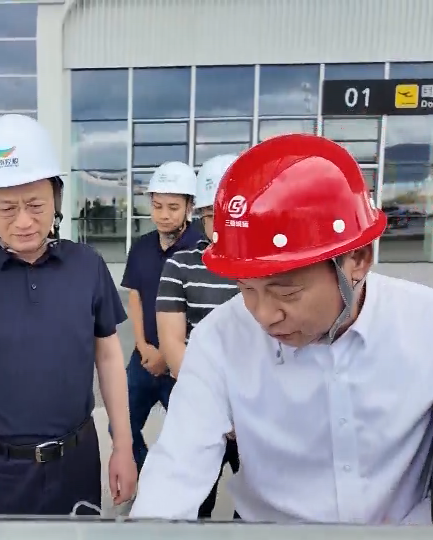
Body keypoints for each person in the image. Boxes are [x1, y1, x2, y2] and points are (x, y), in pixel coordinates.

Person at [131, 133, 433, 524]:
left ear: (357, 260)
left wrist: (429, 528)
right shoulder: (219, 339)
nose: (264, 315)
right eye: (246, 289)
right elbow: (176, 470)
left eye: (286, 292)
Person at [0, 114, 136, 516]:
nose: (24, 221)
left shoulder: (87, 266)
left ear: (56, 197)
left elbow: (108, 358)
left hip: (76, 466)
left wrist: (123, 445)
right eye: (7, 208)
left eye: (35, 205)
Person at [155, 154, 242, 519]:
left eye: (229, 214)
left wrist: (248, 410)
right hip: (200, 407)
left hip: (260, 411)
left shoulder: (269, 267)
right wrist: (219, 408)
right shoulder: (180, 265)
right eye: (211, 215)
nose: (220, 224)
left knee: (263, 507)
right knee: (192, 506)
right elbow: (173, 345)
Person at [120, 161, 204, 471]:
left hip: (183, 364)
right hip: (143, 360)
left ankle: (183, 492)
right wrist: (142, 346)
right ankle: (148, 480)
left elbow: (205, 311)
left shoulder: (202, 249)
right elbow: (135, 296)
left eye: (173, 207)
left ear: (189, 207)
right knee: (121, 427)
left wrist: (168, 359)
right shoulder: (141, 247)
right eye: (157, 206)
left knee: (192, 441)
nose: (163, 214)